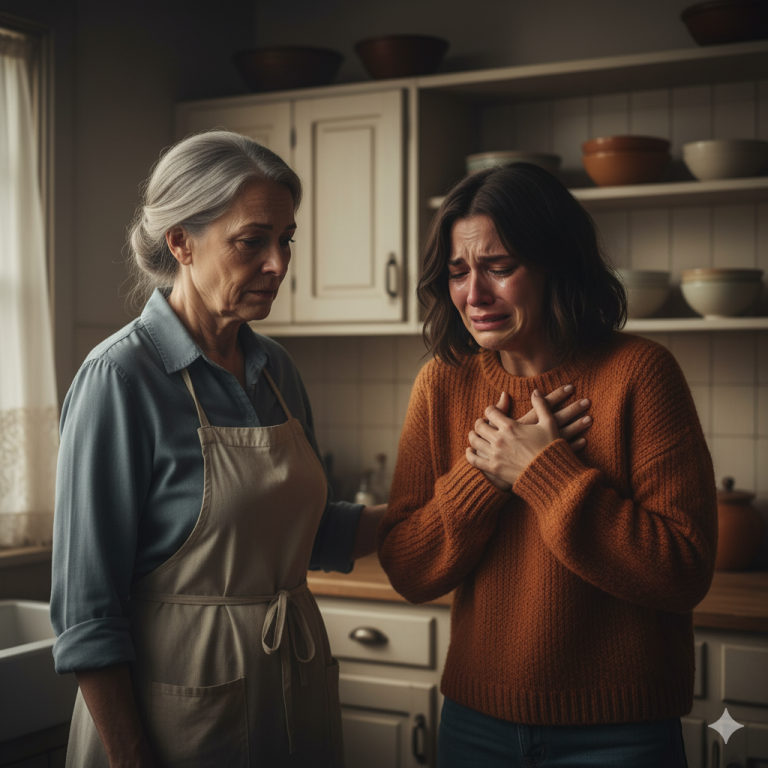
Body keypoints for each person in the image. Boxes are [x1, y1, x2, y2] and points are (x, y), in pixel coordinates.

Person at [50, 130, 386, 768]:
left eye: (285, 239)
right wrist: (130, 757)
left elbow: (308, 536)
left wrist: (456, 499)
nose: (279, 264)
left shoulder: (274, 369)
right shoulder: (120, 378)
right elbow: (86, 612)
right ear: (181, 241)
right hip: (176, 717)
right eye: (251, 241)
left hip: (294, 694)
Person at [376, 163, 718, 768]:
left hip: (621, 731)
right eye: (458, 273)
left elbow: (683, 570)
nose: (473, 295)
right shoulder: (442, 384)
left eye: (499, 268)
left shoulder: (641, 373)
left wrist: (541, 473)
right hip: (475, 722)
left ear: (558, 264)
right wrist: (485, 473)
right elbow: (407, 566)